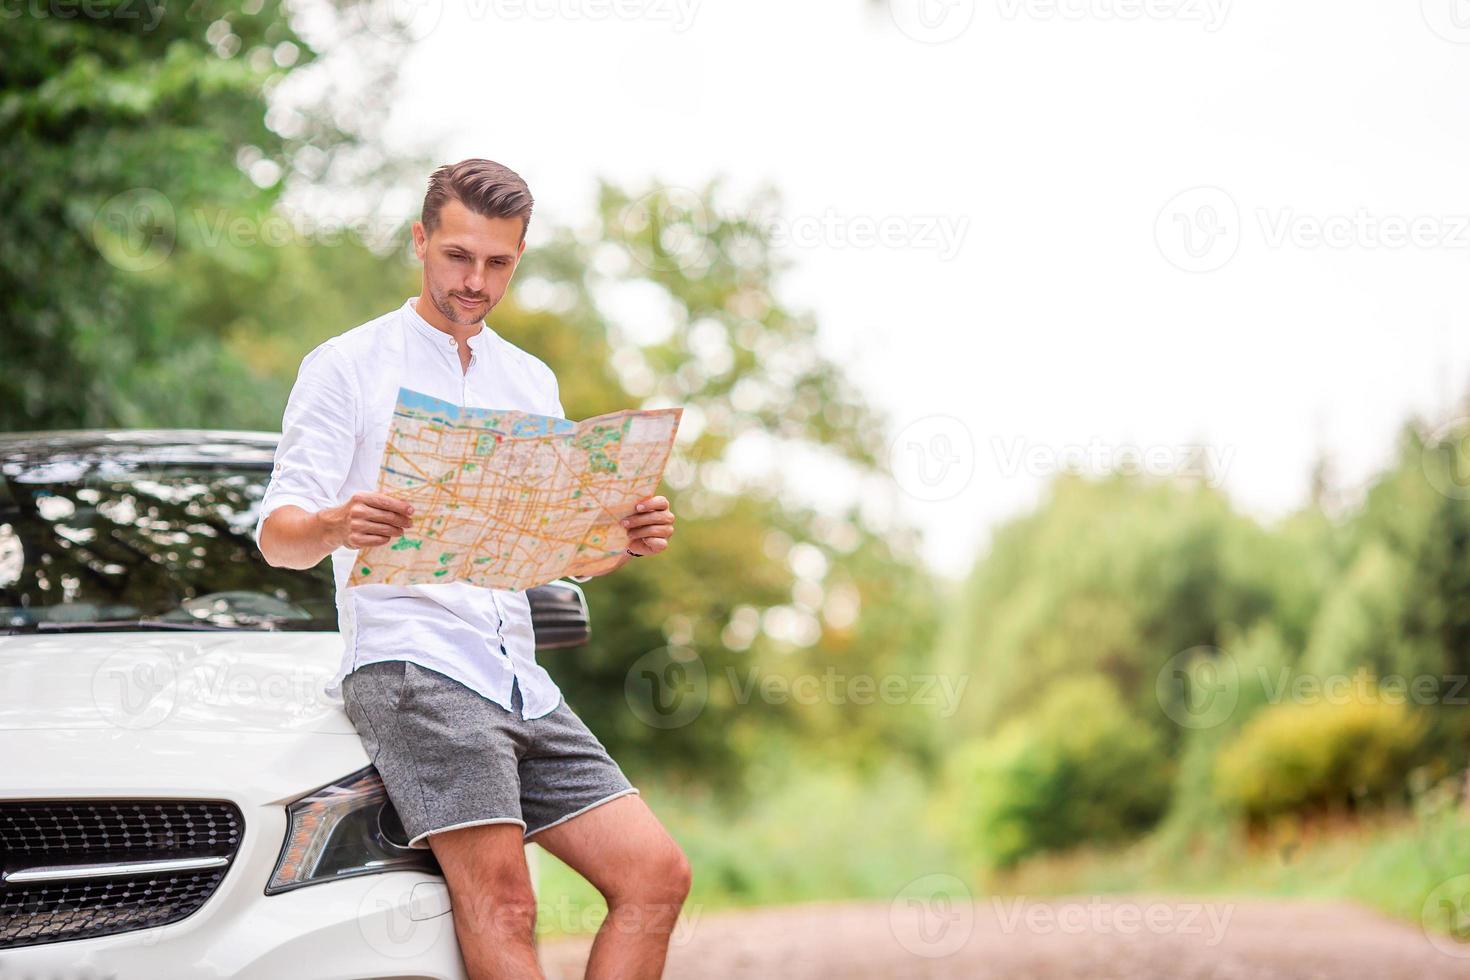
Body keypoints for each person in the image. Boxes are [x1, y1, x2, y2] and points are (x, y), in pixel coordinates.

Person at [256, 158, 689, 979]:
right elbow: (280, 537)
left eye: (498, 263)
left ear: (519, 257)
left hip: (516, 675)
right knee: (506, 903)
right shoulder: (346, 365)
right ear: (420, 240)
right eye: (458, 256)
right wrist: (336, 521)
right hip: (414, 664)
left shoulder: (529, 378)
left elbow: (555, 553)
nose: (475, 280)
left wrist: (618, 536)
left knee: (655, 876)